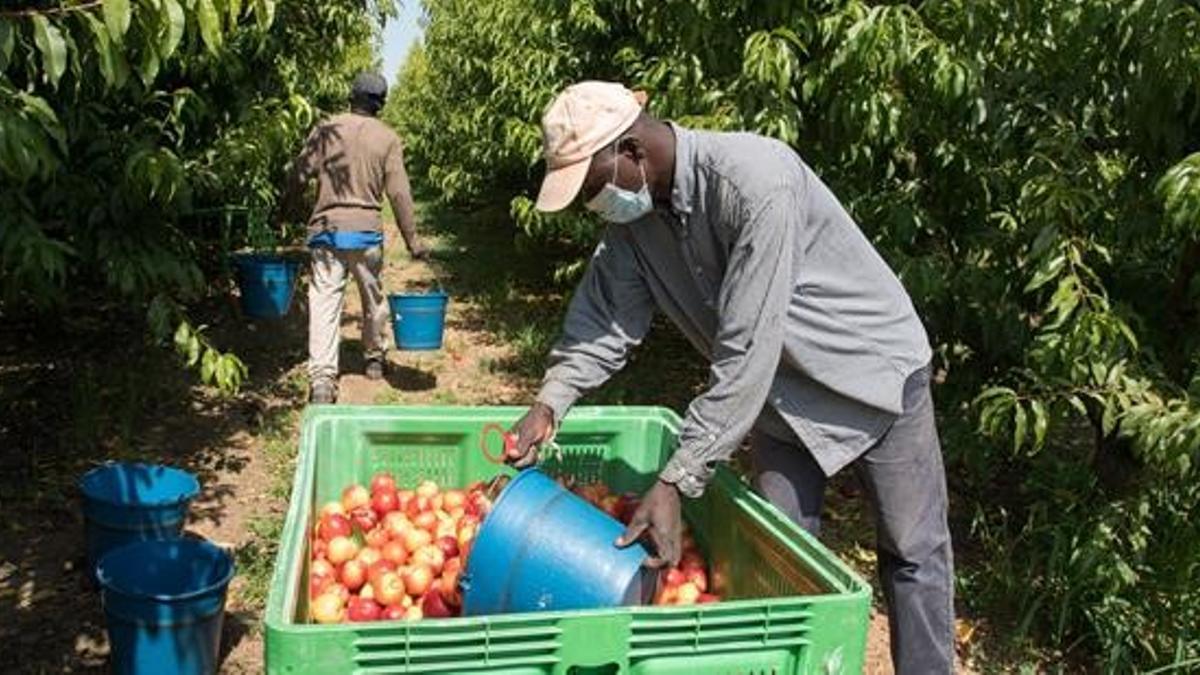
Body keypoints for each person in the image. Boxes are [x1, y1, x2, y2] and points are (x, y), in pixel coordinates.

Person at [504, 81, 955, 673]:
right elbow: (605, 321)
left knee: (912, 550)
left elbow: (746, 351)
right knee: (780, 556)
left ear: (632, 152)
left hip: (868, 374)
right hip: (775, 398)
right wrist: (550, 401)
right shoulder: (634, 226)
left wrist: (675, 479)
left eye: (594, 187)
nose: (595, 206)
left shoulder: (755, 182)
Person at [281, 72, 428, 404]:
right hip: (365, 234)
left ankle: (322, 380)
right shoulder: (388, 138)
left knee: (324, 302)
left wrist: (285, 208)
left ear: (351, 97)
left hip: (327, 232)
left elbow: (299, 174)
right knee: (373, 298)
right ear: (381, 104)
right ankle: (374, 358)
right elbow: (399, 193)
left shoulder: (325, 129)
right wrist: (412, 239)